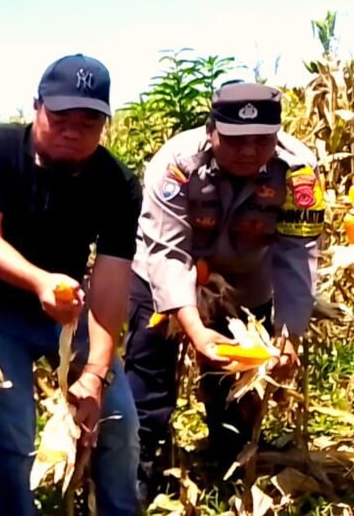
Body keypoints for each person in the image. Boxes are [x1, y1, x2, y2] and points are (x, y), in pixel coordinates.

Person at [123, 82, 322, 496]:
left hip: (244, 281)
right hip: (164, 274)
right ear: (211, 130)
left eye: (261, 140)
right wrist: (196, 331)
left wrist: (288, 335)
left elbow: (297, 252)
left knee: (235, 386)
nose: (249, 151)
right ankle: (138, 468)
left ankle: (230, 468)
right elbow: (168, 252)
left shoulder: (299, 170)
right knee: (149, 374)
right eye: (235, 140)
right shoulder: (176, 164)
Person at [0, 54, 142, 515]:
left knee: (118, 417)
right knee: (14, 430)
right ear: (36, 107)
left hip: (69, 311)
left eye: (88, 122)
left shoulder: (117, 183)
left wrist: (95, 374)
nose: (73, 131)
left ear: (105, 124)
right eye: (61, 118)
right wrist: (40, 281)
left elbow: (111, 279)